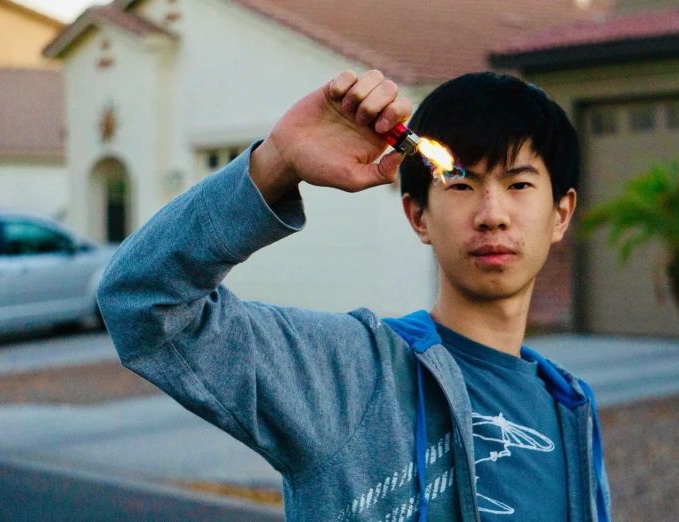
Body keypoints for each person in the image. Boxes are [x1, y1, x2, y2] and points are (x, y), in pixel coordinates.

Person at [97, 69, 611, 522]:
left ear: (561, 214)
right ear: (418, 216)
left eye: (519, 185)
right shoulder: (351, 372)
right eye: (460, 183)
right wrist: (276, 162)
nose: (492, 213)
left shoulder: (570, 408)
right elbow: (143, 300)